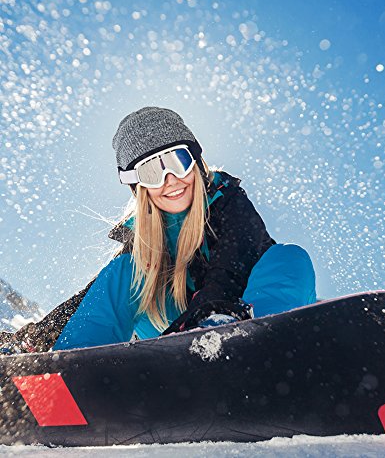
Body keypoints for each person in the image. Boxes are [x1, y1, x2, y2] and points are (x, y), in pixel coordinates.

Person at [2, 107, 316, 353]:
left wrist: (211, 319)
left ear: (196, 162)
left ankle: (265, 343)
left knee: (289, 258)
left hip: (247, 312)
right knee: (124, 271)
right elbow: (89, 301)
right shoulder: (143, 239)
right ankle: (68, 370)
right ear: (139, 187)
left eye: (178, 161)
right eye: (152, 171)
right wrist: (32, 340)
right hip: (176, 332)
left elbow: (230, 266)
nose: (170, 180)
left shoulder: (228, 203)